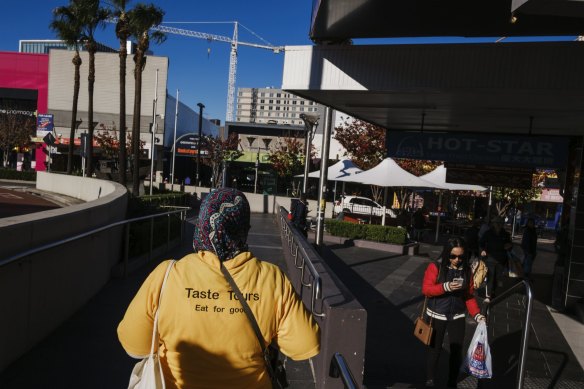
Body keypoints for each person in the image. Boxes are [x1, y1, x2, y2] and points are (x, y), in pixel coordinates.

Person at [118, 188, 320, 388]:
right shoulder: (273, 279)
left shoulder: (167, 275)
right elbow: (305, 344)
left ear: (203, 224)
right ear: (243, 228)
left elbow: (135, 346)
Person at [422, 238, 486, 388]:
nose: (457, 260)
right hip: (437, 314)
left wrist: (477, 314)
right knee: (434, 350)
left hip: (457, 315)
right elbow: (426, 290)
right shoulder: (435, 267)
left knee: (456, 351)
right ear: (446, 254)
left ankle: (452, 382)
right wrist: (445, 287)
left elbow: (469, 296)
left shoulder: (467, 271)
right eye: (453, 256)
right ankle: (430, 380)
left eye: (461, 257)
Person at [479, 215, 512, 303]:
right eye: (496, 223)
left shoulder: (505, 234)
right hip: (490, 259)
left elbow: (510, 245)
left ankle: (493, 292)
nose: (498, 225)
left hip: (501, 259)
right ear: (493, 224)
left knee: (497, 278)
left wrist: (509, 246)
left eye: (500, 223)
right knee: (490, 277)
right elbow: (481, 243)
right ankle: (488, 295)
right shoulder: (488, 233)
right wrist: (482, 250)